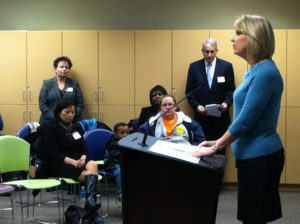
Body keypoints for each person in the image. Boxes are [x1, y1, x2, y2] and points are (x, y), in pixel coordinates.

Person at [190, 15, 284, 224]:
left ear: (255, 38)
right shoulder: (256, 70)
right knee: (251, 218)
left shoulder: (266, 72)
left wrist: (215, 146)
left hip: (261, 157)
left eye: (239, 33)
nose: (233, 38)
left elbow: (244, 122)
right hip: (252, 157)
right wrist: (215, 143)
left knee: (254, 218)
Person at [37, 98, 103, 224]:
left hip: (79, 159)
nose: (71, 115)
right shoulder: (51, 128)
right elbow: (53, 154)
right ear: (58, 112)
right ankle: (91, 213)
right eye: (67, 112)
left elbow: (84, 147)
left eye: (73, 112)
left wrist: (83, 157)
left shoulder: (76, 126)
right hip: (61, 164)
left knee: (93, 164)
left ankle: (90, 204)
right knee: (87, 175)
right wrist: (73, 162)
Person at [185, 38, 236, 145]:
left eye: (212, 52)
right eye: (206, 51)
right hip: (201, 119)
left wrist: (226, 103)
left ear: (216, 51)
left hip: (220, 119)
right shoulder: (194, 67)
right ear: (202, 51)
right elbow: (189, 92)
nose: (209, 55)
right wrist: (197, 106)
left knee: (219, 151)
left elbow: (231, 90)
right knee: (201, 150)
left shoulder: (226, 66)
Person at [138, 95, 205, 145]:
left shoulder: (188, 121)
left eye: (170, 104)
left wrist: (191, 150)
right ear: (160, 108)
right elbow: (140, 136)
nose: (167, 107)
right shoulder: (153, 122)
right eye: (164, 105)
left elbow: (200, 140)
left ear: (175, 106)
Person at [39, 56, 84, 125]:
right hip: (49, 121)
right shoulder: (47, 83)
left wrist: (72, 116)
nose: (64, 69)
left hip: (70, 122)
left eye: (67, 67)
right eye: (61, 67)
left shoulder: (74, 83)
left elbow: (80, 104)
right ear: (55, 69)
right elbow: (42, 104)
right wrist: (54, 117)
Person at [104, 122, 130, 200]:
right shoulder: (113, 144)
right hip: (112, 164)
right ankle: (121, 193)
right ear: (115, 134)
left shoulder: (129, 142)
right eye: (122, 133)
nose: (125, 135)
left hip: (123, 163)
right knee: (120, 171)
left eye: (128, 133)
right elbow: (116, 157)